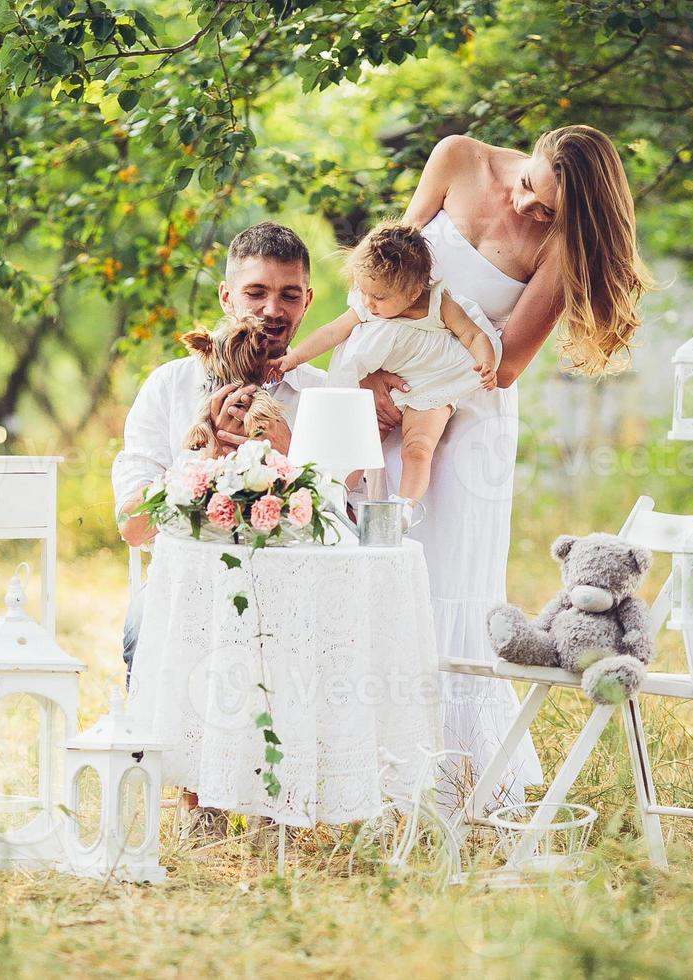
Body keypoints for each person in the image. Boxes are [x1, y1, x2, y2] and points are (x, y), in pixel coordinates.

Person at [346, 125, 651, 810]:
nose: (526, 212)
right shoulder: (457, 159)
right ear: (528, 157)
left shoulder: (565, 247)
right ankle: (361, 766)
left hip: (469, 420)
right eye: (527, 189)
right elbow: (384, 267)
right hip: (383, 387)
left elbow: (506, 363)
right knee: (370, 556)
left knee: (443, 576)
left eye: (548, 214)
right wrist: (369, 381)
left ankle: (449, 783)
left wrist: (423, 393)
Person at [111, 221, 328, 682]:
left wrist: (288, 451)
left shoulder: (325, 395)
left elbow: (347, 524)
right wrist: (203, 461)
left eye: (290, 295)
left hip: (300, 586)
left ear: (308, 301)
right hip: (187, 585)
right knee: (144, 628)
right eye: (256, 292)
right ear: (226, 298)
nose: (273, 309)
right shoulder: (169, 387)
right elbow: (133, 525)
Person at [271, 222, 497, 523]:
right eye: (363, 291)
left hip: (431, 386)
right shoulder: (366, 306)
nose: (367, 302)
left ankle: (404, 507)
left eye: (378, 296)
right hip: (389, 387)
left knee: (418, 447)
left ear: (414, 291)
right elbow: (331, 332)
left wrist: (486, 362)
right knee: (359, 442)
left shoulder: (439, 304)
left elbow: (473, 335)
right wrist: (294, 358)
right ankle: (332, 498)